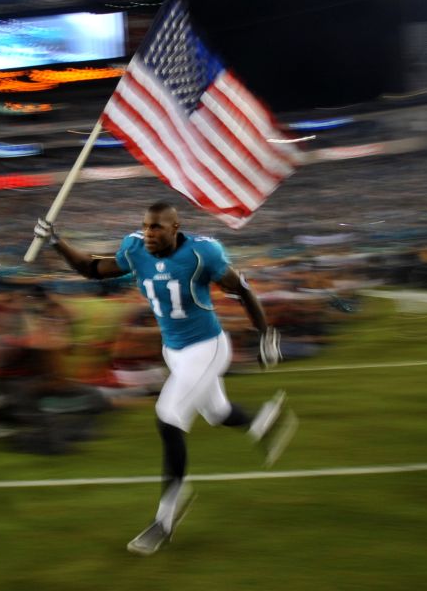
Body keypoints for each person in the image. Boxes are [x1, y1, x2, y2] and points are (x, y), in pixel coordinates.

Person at [33, 201, 297, 556]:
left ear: (176, 227)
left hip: (207, 347)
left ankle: (166, 516)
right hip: (174, 351)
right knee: (216, 412)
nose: (149, 233)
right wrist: (56, 241)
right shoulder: (135, 249)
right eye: (145, 226)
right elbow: (91, 269)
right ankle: (263, 421)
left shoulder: (203, 253)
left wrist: (266, 333)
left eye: (157, 227)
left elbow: (243, 289)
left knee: (169, 416)